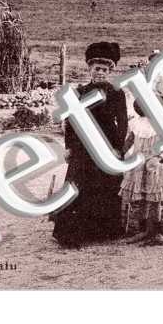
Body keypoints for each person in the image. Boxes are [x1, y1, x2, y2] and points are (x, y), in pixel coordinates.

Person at [52, 42, 129, 248]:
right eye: (97, 69)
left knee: (104, 187)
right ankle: (73, 233)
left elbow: (123, 123)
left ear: (110, 71)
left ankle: (103, 231)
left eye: (105, 69)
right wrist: (68, 147)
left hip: (107, 145)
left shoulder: (116, 92)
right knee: (78, 186)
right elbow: (71, 122)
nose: (100, 73)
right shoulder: (80, 91)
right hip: (83, 147)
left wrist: (118, 149)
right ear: (90, 69)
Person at [120, 101, 163, 246]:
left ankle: (156, 232)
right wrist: (119, 154)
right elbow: (128, 142)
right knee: (143, 199)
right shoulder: (136, 124)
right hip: (139, 167)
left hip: (155, 168)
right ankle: (143, 230)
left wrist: (159, 158)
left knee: (155, 199)